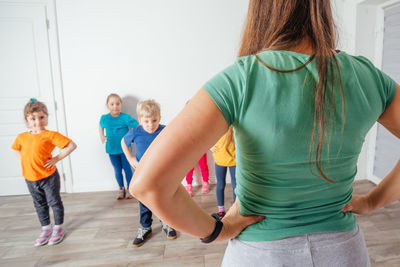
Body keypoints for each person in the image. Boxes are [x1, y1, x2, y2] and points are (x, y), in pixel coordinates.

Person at [127, 0, 400, 266]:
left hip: (260, 254)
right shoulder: (368, 77)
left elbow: (148, 184)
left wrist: (217, 230)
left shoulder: (241, 78)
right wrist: (373, 201)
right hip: (344, 252)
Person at [11, 99, 77, 246]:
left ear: (47, 117)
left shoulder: (50, 135)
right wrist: (25, 159)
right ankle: (46, 228)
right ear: (27, 120)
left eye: (41, 117)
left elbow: (71, 145)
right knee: (39, 204)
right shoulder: (21, 137)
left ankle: (58, 227)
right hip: (30, 178)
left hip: (48, 177)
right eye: (33, 118)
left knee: (54, 202)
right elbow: (16, 148)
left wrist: (57, 158)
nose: (38, 121)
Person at [121, 99, 177, 247]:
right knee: (145, 201)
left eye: (154, 120)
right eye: (146, 121)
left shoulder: (165, 130)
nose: (151, 125)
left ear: (159, 117)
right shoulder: (136, 132)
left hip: (161, 173)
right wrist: (130, 158)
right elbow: (123, 142)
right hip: (142, 175)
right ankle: (146, 228)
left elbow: (175, 144)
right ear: (140, 120)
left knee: (163, 199)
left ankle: (166, 222)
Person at [99, 93, 139, 199]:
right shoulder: (104, 118)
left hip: (125, 149)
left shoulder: (125, 117)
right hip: (112, 149)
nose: (115, 106)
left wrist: (133, 138)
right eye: (112, 104)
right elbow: (100, 125)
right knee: (117, 169)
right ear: (107, 105)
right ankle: (121, 188)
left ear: (121, 105)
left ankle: (130, 188)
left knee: (127, 169)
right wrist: (102, 136)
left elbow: (137, 126)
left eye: (117, 103)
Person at [210, 127, 236, 219]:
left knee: (235, 186)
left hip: (234, 158)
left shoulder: (233, 123)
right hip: (219, 158)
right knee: (220, 185)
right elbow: (206, 134)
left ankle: (235, 210)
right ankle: (221, 210)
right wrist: (210, 146)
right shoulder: (216, 123)